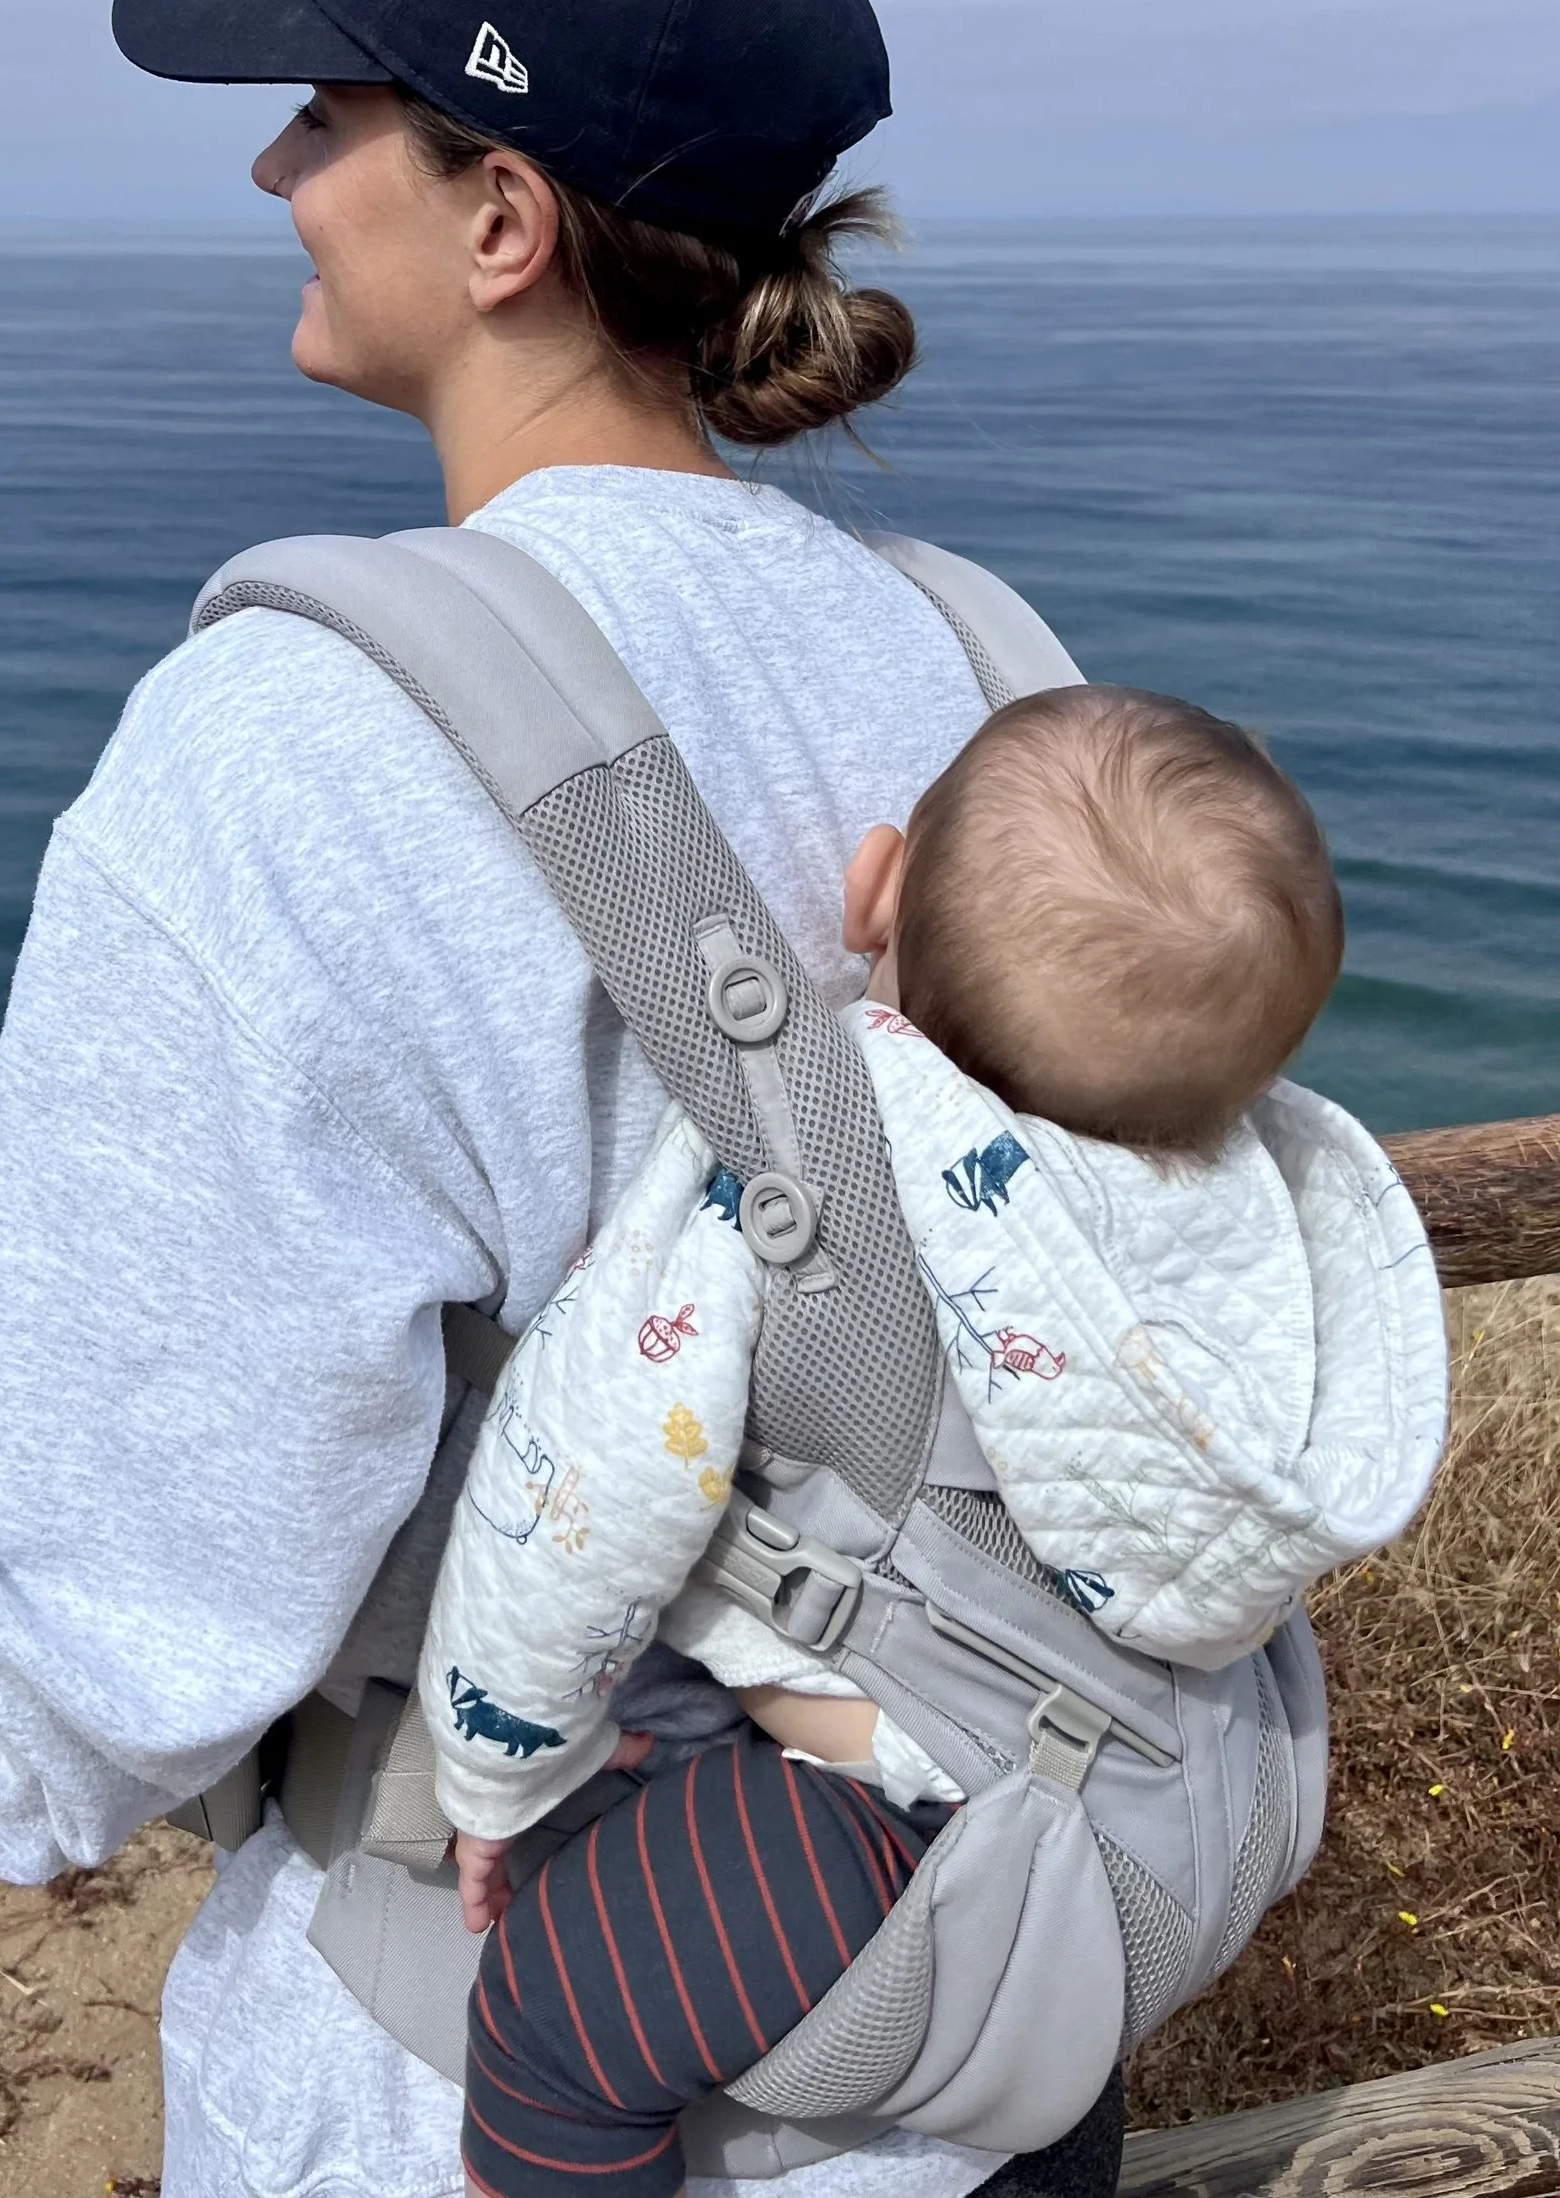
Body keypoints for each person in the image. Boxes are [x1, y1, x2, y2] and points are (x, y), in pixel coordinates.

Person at [0, 0, 1125, 2198]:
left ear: (501, 222)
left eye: (325, 114)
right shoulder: (977, 665)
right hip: (988, 2035)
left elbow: (52, 1715)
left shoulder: (301, 738)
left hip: (510, 2087)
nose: (268, 170)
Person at [424, 686, 1447, 2198]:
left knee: (550, 2021)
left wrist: (494, 1771)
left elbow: (581, 1488)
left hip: (891, 1830)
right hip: (1179, 1797)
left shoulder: (804, 1170)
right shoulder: (1255, 1205)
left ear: (872, 884)